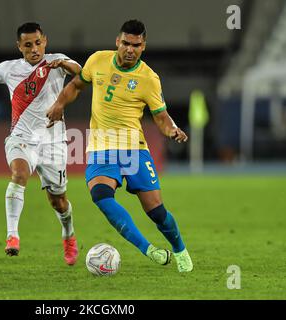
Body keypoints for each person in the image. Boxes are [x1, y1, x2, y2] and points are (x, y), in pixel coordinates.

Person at [47, 20, 193, 272]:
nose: (129, 49)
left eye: (135, 45)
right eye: (125, 43)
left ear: (143, 46)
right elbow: (75, 85)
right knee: (100, 196)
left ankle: (180, 250)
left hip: (133, 150)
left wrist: (172, 130)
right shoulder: (97, 60)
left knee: (157, 212)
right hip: (101, 148)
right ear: (118, 41)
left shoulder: (149, 78)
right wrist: (60, 103)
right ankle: (148, 249)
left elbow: (160, 116)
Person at [0, 22, 82, 265]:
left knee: (58, 201)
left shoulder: (57, 61)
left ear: (45, 41)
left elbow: (81, 73)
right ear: (19, 46)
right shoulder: (8, 69)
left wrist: (62, 64)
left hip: (54, 142)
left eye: (38, 43)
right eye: (28, 45)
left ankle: (68, 235)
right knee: (19, 174)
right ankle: (12, 236)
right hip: (21, 138)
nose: (34, 49)